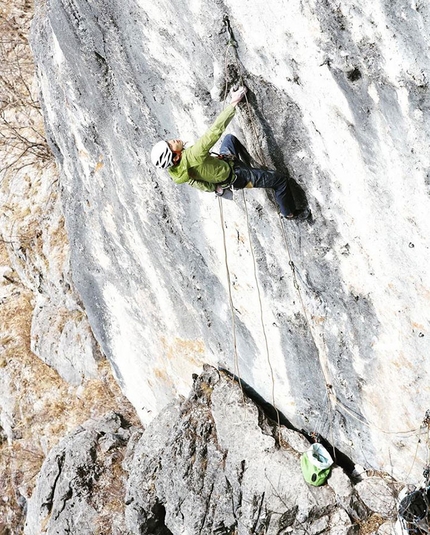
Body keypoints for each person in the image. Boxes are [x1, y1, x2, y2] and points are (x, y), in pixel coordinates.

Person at [151, 87, 309, 220]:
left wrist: (215, 188)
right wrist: (234, 102)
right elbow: (214, 131)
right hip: (238, 177)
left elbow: (198, 183)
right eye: (171, 144)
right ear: (176, 156)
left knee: (229, 140)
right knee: (280, 181)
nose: (173, 140)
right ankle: (288, 213)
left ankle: (253, 167)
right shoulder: (193, 155)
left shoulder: (178, 172)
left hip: (226, 164)